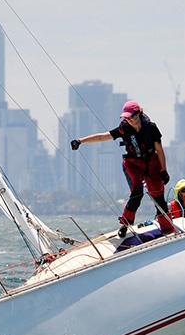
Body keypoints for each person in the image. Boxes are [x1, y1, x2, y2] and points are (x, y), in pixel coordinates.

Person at [71, 100, 173, 237]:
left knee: (157, 194)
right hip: (133, 163)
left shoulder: (151, 127)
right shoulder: (124, 128)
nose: (130, 120)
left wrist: (164, 170)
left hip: (151, 161)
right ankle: (125, 225)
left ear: (139, 113)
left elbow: (159, 150)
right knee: (137, 193)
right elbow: (103, 136)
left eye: (133, 117)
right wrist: (80, 141)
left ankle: (167, 227)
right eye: (127, 118)